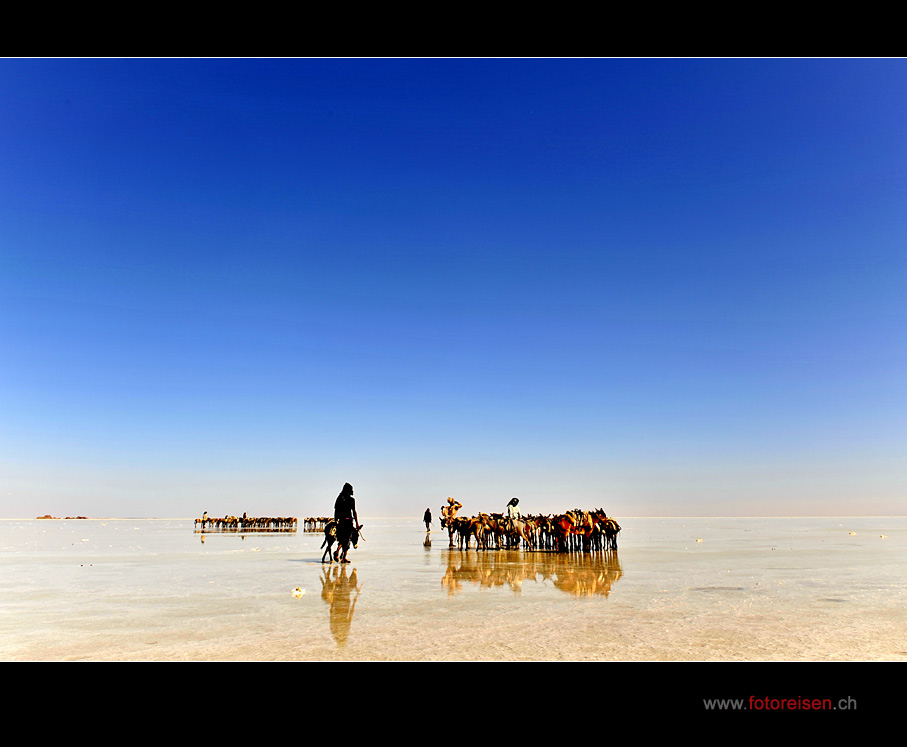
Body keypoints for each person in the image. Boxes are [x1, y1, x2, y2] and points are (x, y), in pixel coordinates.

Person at [333, 482, 360, 563]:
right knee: (347, 539)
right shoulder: (351, 500)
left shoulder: (339, 498)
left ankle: (338, 552)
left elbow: (336, 510)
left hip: (341, 521)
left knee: (342, 538)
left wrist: (336, 520)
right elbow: (354, 512)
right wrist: (357, 523)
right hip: (348, 521)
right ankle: (342, 556)